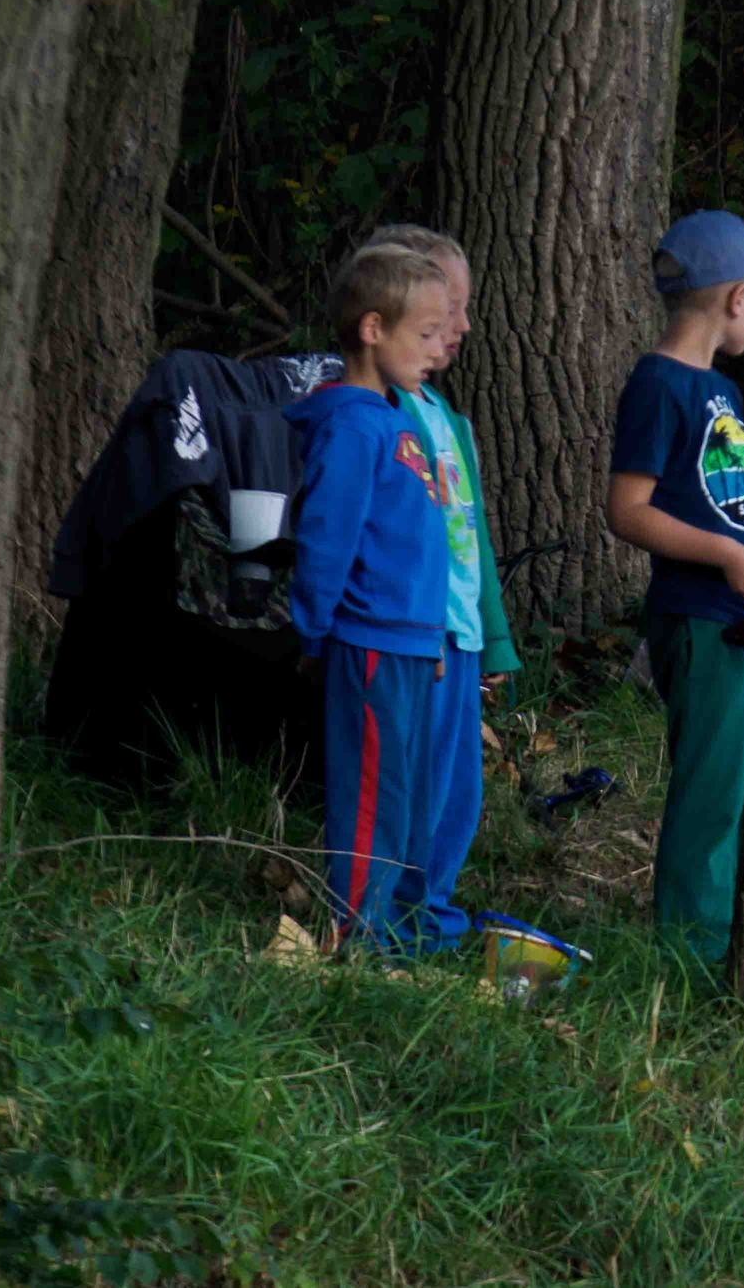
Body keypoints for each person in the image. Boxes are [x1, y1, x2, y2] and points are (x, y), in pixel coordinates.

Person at [606, 209, 744, 967]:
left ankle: (721, 932)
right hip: (699, 622)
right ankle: (689, 957)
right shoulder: (660, 384)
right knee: (710, 792)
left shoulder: (721, 389)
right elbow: (628, 509)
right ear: (736, 298)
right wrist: (727, 554)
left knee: (735, 783)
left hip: (735, 620)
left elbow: (731, 502)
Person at [282, 244, 457, 951]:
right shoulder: (353, 426)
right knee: (372, 798)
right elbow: (328, 538)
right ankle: (356, 936)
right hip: (370, 642)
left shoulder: (396, 418)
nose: (439, 349)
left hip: (413, 643)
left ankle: (394, 931)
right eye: (426, 333)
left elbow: (415, 545)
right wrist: (313, 631)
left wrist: (434, 635)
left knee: (407, 796)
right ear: (372, 328)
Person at [356, 223, 522, 949]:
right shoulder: (376, 412)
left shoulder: (448, 418)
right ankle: (388, 922)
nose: (462, 325)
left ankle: (431, 916)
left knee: (458, 791)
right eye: (448, 308)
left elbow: (473, 540)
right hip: (410, 633)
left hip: (460, 636)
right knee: (408, 784)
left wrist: (496, 639)